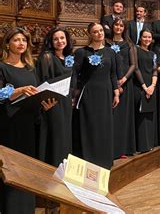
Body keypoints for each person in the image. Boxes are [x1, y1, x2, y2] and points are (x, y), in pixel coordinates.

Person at [0, 27, 56, 213]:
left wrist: (44, 105)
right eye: (16, 40)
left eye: (24, 40)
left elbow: (35, 94)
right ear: (7, 43)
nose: (21, 43)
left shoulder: (31, 69)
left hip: (28, 125)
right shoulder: (2, 67)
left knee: (26, 170)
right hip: (8, 125)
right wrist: (18, 90)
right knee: (10, 171)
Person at [72, 22, 120, 169]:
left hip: (105, 93)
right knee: (90, 125)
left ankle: (104, 159)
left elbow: (113, 74)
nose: (99, 33)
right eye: (95, 31)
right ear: (89, 34)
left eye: (101, 31)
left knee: (104, 126)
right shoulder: (81, 52)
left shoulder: (110, 52)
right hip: (89, 93)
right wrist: (74, 94)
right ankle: (89, 159)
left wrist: (116, 92)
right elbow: (75, 74)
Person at [36, 27, 75, 167]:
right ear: (51, 42)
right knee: (56, 135)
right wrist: (46, 102)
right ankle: (52, 167)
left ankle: (64, 167)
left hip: (66, 102)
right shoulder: (47, 57)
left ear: (67, 40)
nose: (60, 41)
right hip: (53, 102)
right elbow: (43, 81)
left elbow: (73, 79)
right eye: (56, 39)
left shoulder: (69, 57)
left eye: (62, 38)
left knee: (65, 135)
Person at [106, 18, 136, 158]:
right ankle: (110, 148)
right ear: (113, 27)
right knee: (111, 117)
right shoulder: (106, 42)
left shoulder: (129, 44)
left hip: (125, 82)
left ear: (124, 28)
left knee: (123, 118)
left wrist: (123, 80)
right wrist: (115, 83)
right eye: (116, 25)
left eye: (121, 25)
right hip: (110, 83)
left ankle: (122, 149)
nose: (118, 27)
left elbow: (133, 65)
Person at [134, 29, 157, 152]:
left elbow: (155, 70)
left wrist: (152, 86)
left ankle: (149, 144)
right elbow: (136, 69)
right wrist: (144, 87)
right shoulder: (136, 50)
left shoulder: (153, 54)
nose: (147, 39)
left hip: (151, 87)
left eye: (149, 37)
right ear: (140, 38)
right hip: (139, 86)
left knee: (149, 115)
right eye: (145, 37)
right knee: (140, 116)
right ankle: (141, 145)